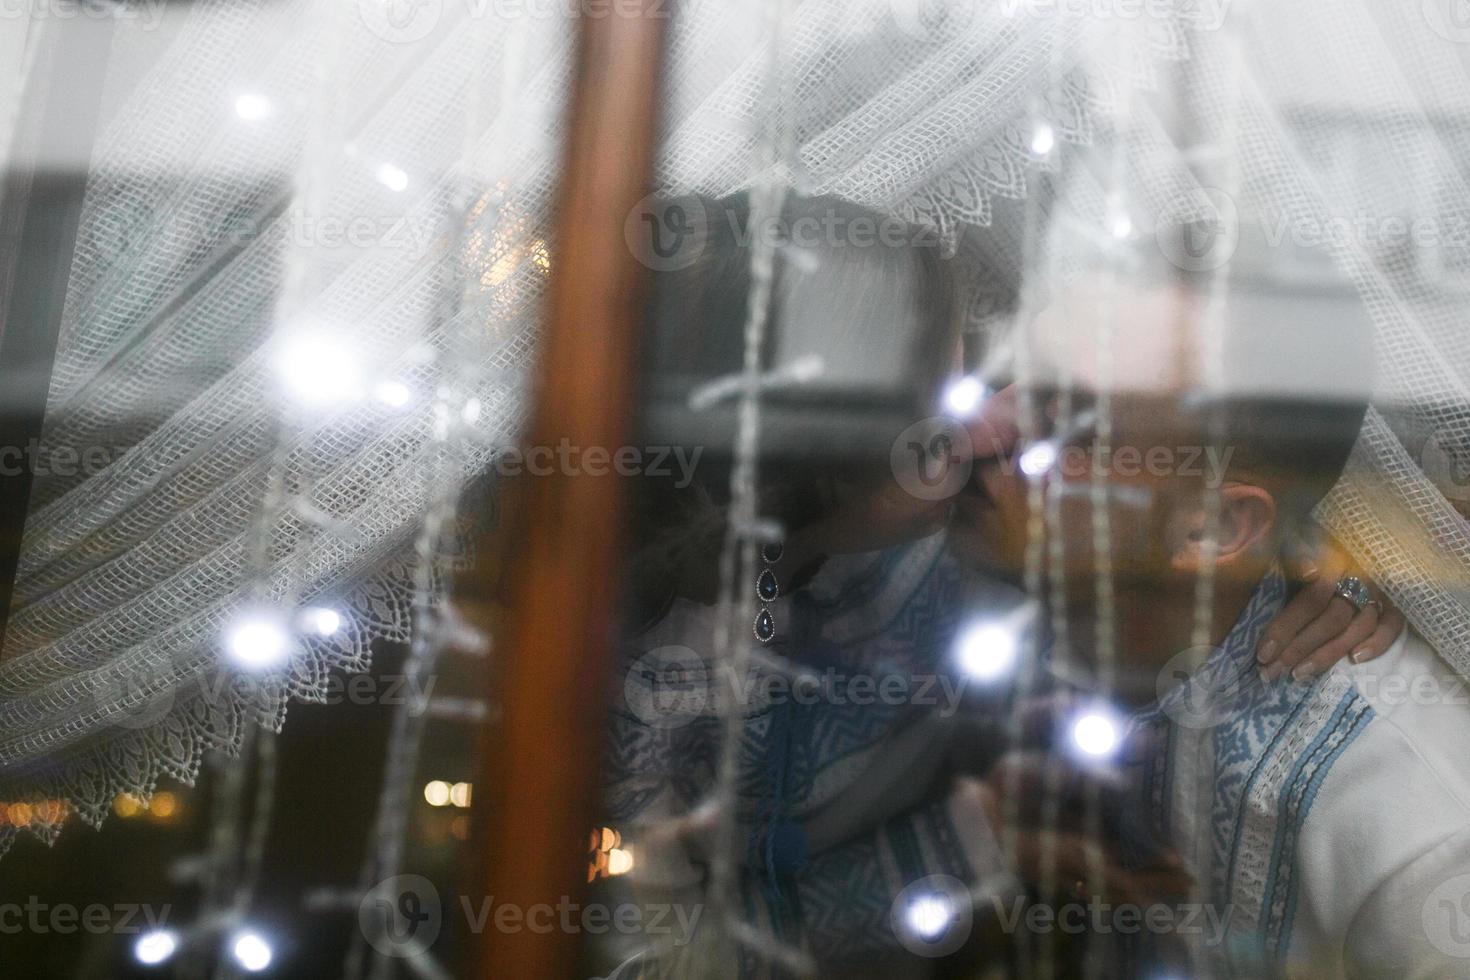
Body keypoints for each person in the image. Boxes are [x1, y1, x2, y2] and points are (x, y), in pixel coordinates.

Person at [596, 197, 1406, 978]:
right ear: (813, 465)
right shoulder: (639, 681)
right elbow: (657, 956)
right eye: (938, 419)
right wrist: (965, 842)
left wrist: (1342, 560)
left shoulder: (943, 536)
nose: (993, 424)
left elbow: (1214, 474)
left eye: (977, 382)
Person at [949, 262, 1469, 976]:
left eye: (1066, 424)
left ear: (1213, 528)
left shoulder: (1410, 834)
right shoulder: (961, 579)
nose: (976, 429)